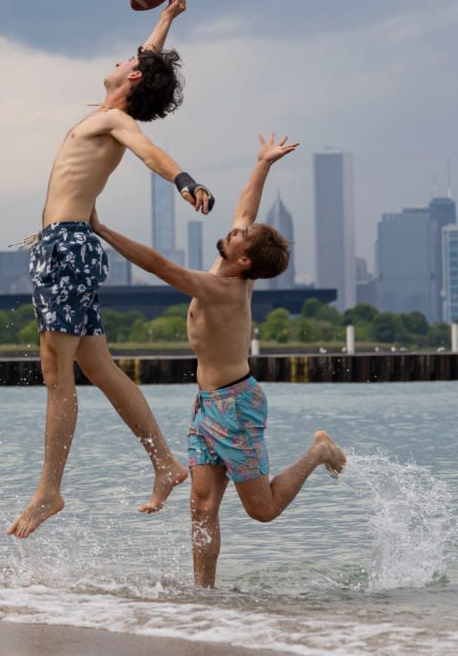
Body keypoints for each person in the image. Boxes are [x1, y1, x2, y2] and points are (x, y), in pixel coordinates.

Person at [90, 133, 347, 587]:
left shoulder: (222, 288)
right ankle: (203, 598)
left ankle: (319, 451)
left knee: (261, 510)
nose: (233, 229)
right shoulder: (229, 267)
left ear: (244, 259)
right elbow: (245, 210)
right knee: (201, 505)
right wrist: (263, 162)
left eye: (238, 236)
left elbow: (160, 267)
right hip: (208, 404)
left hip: (237, 407)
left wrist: (104, 230)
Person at [7, 0, 215, 539]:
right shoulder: (105, 114)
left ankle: (50, 491)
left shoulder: (115, 123)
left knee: (57, 374)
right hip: (64, 245)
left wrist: (183, 180)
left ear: (132, 81)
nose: (122, 60)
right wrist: (167, 17)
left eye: (127, 62)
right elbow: (143, 65)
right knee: (99, 368)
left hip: (68, 248)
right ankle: (166, 464)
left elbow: (149, 150)